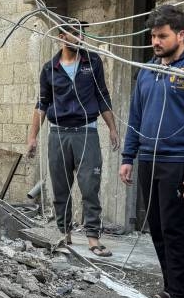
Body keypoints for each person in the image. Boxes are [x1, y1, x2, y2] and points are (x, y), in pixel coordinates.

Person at [119, 5, 184, 298]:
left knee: (178, 230)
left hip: (178, 161)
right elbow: (135, 115)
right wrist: (128, 156)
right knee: (158, 228)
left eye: (162, 36)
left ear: (181, 34)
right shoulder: (149, 71)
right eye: (153, 36)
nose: (156, 42)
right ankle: (171, 287)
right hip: (149, 159)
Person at [26, 21, 119, 256]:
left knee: (90, 186)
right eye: (74, 34)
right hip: (58, 134)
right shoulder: (50, 68)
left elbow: (102, 95)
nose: (79, 38)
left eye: (81, 34)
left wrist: (112, 128)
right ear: (62, 37)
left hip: (86, 132)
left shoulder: (92, 62)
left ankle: (92, 238)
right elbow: (42, 104)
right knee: (61, 188)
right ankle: (63, 233)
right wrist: (33, 137)